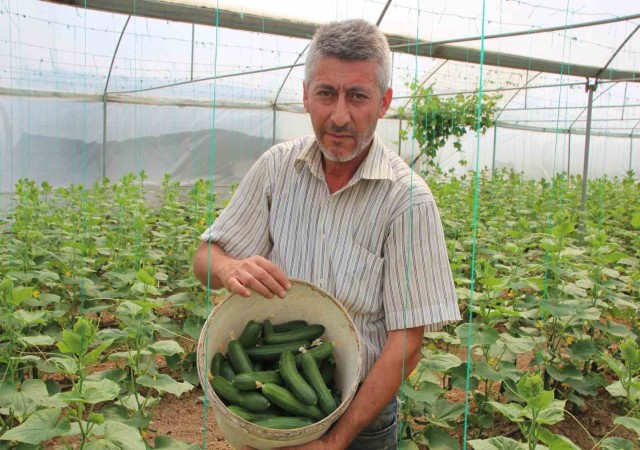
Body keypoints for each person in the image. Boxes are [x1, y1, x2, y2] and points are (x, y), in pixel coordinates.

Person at [193, 18, 460, 450]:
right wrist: (227, 267)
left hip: (362, 414)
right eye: (325, 93)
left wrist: (333, 442)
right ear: (305, 97)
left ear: (384, 102)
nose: (339, 116)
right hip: (277, 400)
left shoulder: (408, 200)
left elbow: (408, 341)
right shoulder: (276, 168)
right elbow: (204, 257)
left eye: (357, 96)